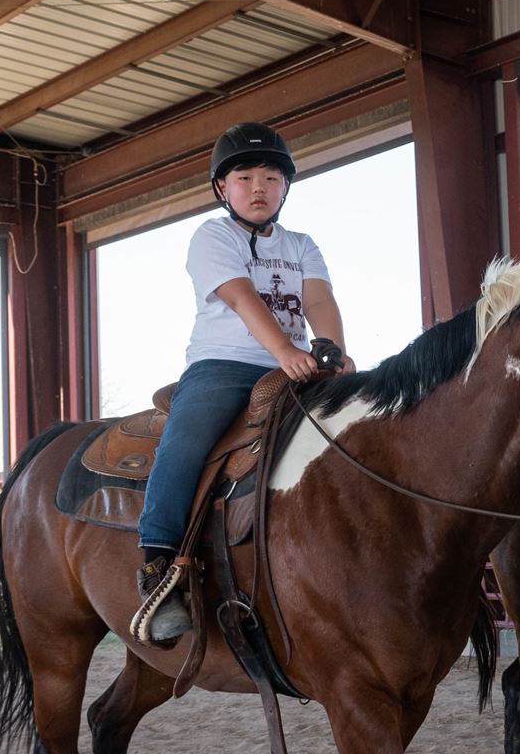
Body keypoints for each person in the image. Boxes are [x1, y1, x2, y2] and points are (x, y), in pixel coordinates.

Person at [131, 122, 353, 646]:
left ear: (285, 189)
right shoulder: (213, 236)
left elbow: (318, 300)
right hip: (225, 364)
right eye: (245, 177)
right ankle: (159, 562)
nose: (259, 188)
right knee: (186, 441)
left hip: (300, 364)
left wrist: (334, 352)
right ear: (221, 188)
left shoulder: (302, 244)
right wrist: (285, 353)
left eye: (272, 178)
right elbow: (241, 298)